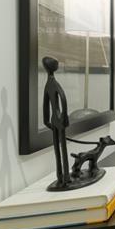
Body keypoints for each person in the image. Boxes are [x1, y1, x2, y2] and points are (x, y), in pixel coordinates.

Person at [42, 56, 71, 188]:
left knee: (58, 149)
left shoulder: (49, 84)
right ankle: (64, 176)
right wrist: (64, 116)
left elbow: (46, 104)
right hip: (58, 119)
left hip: (55, 119)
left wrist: (46, 120)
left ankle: (62, 175)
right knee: (61, 148)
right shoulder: (53, 83)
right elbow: (62, 99)